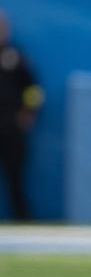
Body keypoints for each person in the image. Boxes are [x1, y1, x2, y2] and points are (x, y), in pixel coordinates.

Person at [0, 11, 44, 221]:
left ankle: (21, 219)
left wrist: (29, 112)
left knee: (15, 176)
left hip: (10, 126)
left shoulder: (15, 56)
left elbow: (33, 89)